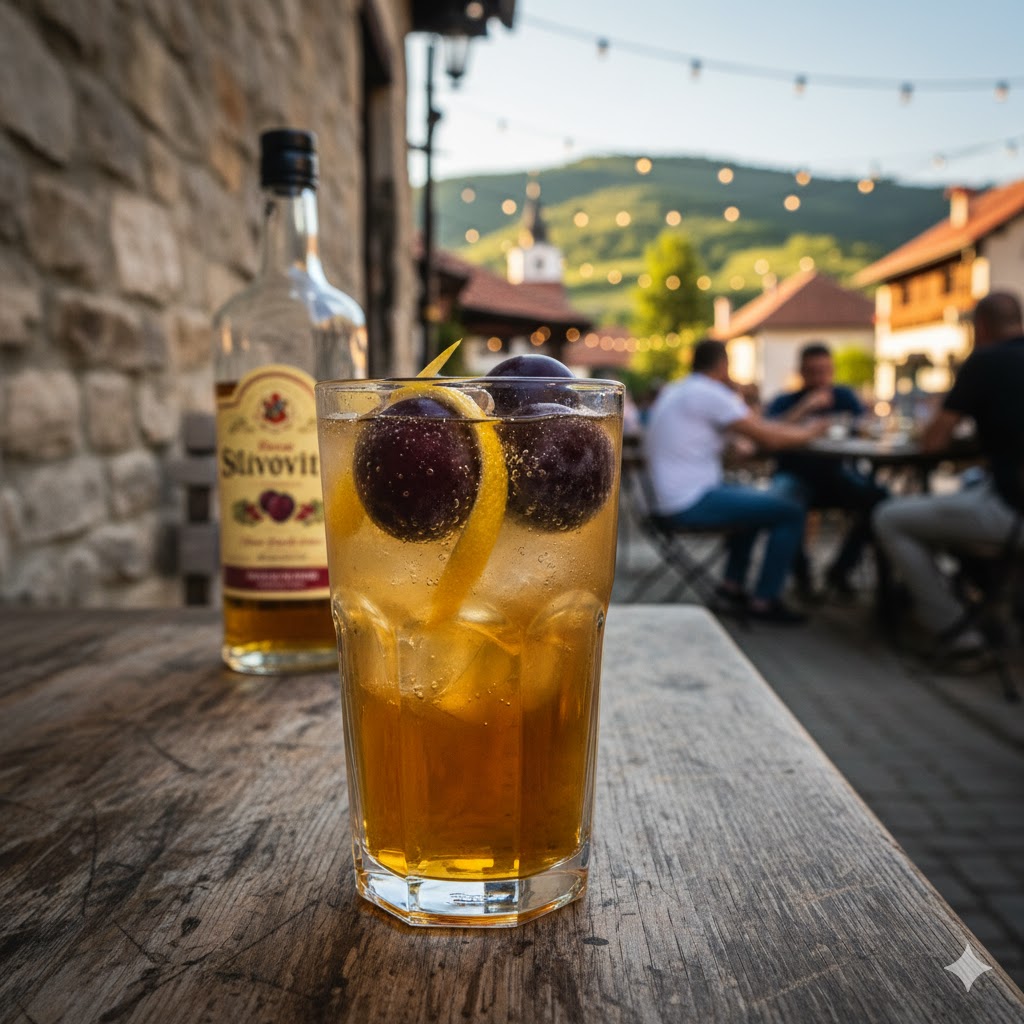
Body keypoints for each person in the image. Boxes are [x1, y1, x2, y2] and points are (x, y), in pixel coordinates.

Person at [872, 291, 1024, 652]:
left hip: (1013, 512)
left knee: (889, 517)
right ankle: (992, 603)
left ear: (980, 326)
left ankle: (956, 629)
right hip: (1006, 497)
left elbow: (932, 443)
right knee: (970, 487)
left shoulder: (987, 361)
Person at [644, 338, 829, 624]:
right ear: (722, 365)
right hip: (688, 502)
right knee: (790, 509)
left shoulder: (679, 391)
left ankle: (732, 586)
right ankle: (765, 600)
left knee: (754, 503)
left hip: (665, 500)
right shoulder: (709, 394)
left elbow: (746, 447)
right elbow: (767, 437)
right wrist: (813, 432)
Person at [766, 342, 889, 597]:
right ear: (801, 371)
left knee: (880, 499)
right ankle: (802, 576)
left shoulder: (844, 397)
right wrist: (805, 408)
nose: (820, 377)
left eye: (825, 370)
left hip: (834, 475)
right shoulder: (785, 400)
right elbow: (768, 432)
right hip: (795, 473)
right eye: (813, 371)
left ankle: (841, 570)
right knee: (782, 503)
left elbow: (865, 428)